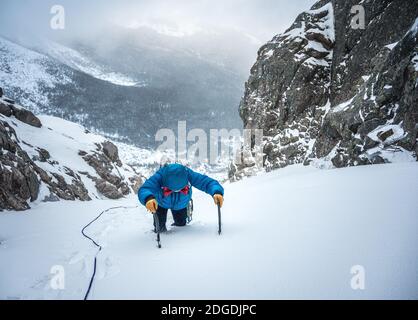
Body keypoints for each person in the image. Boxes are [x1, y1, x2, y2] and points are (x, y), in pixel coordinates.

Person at [138, 163, 224, 232]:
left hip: (181, 204)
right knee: (159, 228)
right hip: (161, 203)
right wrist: (148, 198)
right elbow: (146, 188)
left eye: (180, 189)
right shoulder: (160, 176)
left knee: (181, 225)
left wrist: (216, 191)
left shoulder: (188, 173)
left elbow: (206, 182)